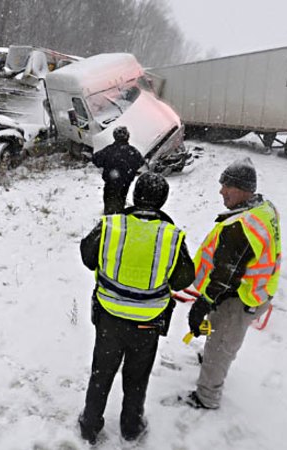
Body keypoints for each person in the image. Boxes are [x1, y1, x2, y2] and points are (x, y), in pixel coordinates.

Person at [78, 172, 195, 444]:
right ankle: (131, 426)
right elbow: (183, 279)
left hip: (110, 318)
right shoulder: (172, 236)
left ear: (134, 194)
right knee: (137, 377)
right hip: (149, 322)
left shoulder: (111, 226)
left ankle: (90, 425)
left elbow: (87, 256)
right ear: (162, 201)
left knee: (101, 373)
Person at [185, 157, 282, 410]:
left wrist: (203, 302)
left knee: (221, 345)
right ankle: (209, 357)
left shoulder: (242, 227)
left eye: (226, 186)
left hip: (239, 299)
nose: (221, 191)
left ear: (242, 189)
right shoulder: (264, 209)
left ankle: (207, 397)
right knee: (217, 332)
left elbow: (225, 275)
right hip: (249, 291)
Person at [91, 126, 146, 214]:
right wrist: (130, 170)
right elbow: (141, 162)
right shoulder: (132, 151)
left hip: (110, 184)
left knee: (109, 205)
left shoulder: (108, 150)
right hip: (125, 184)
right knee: (120, 203)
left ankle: (109, 218)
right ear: (128, 136)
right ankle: (119, 216)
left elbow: (95, 159)